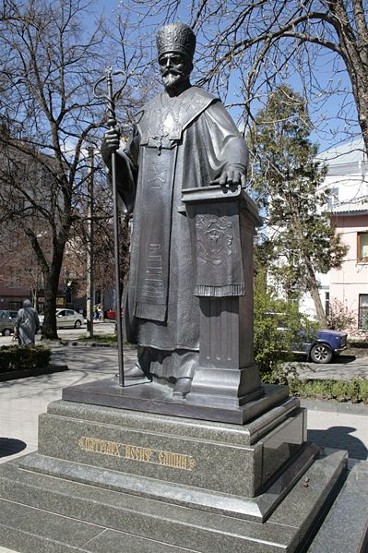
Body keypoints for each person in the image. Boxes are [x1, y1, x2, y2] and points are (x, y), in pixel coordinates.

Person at [101, 23, 249, 397]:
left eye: (176, 59)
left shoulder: (204, 106)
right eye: (164, 60)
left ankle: (187, 365)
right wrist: (111, 152)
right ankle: (147, 360)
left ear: (189, 62)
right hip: (150, 218)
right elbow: (127, 169)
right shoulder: (147, 113)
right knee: (146, 288)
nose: (169, 65)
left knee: (182, 293)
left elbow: (232, 141)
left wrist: (234, 165)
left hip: (183, 218)